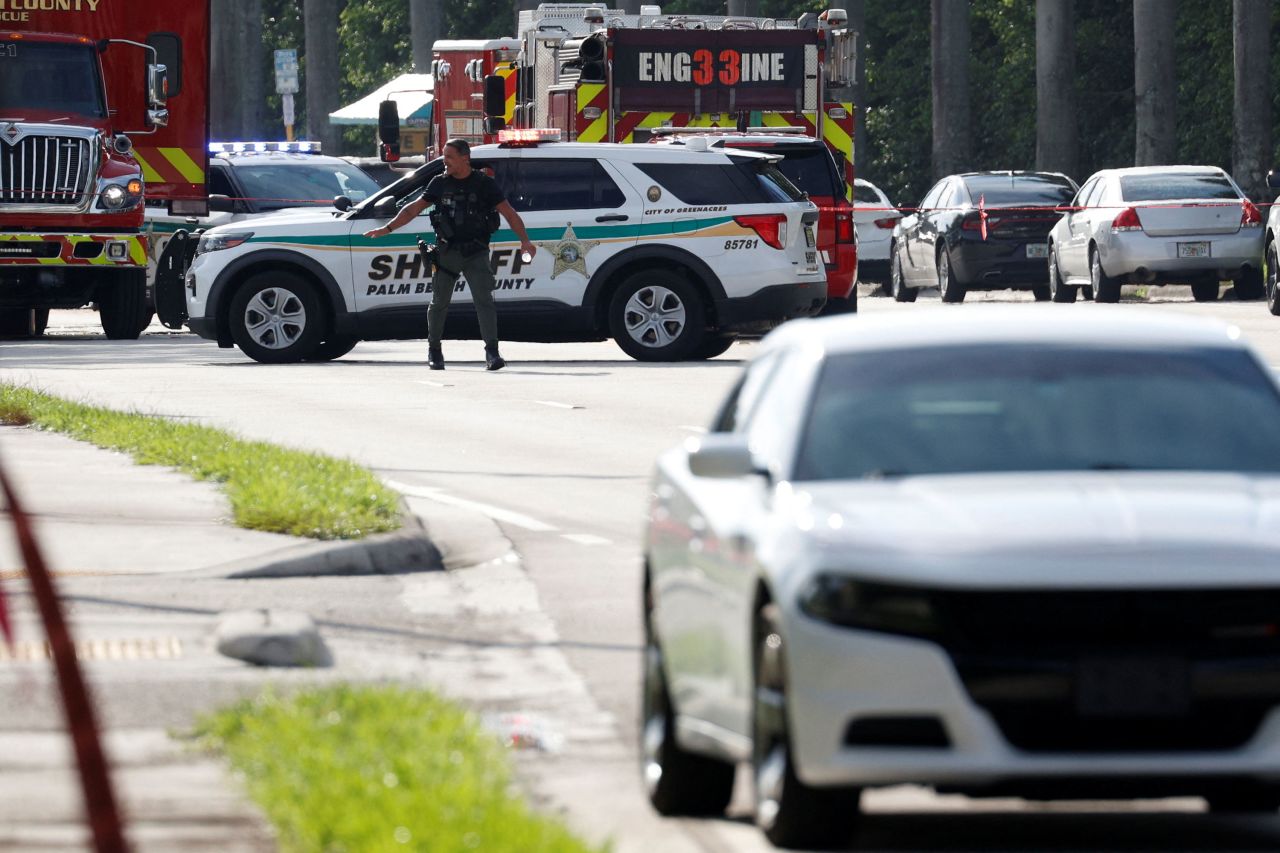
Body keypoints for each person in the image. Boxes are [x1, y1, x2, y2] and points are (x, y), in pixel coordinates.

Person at [363, 138, 536, 371]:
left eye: (450, 157)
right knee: (438, 303)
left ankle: (492, 353)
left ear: (465, 158)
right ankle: (434, 350)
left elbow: (509, 212)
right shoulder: (439, 183)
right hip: (447, 252)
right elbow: (413, 208)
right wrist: (388, 228)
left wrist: (525, 241)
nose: (445, 162)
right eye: (444, 157)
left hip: (476, 252)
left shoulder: (484, 184)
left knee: (484, 302)